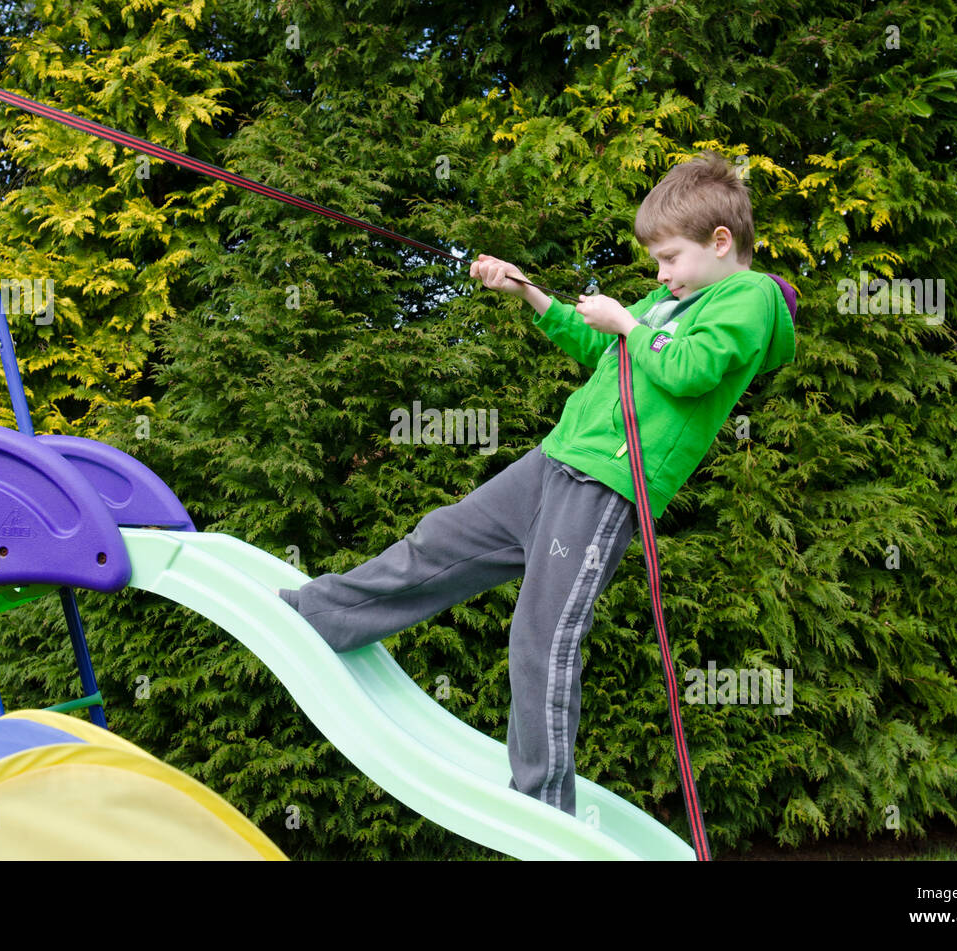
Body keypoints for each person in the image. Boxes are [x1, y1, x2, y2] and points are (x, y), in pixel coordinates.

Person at [277, 150, 796, 817]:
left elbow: (692, 369)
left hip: (606, 484)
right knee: (438, 538)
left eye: (668, 258)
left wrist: (630, 323)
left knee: (541, 633)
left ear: (720, 242)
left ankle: (543, 807)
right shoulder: (675, 299)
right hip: (554, 460)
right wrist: (525, 290)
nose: (660, 274)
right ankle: (324, 616)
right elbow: (597, 346)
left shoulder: (746, 300)